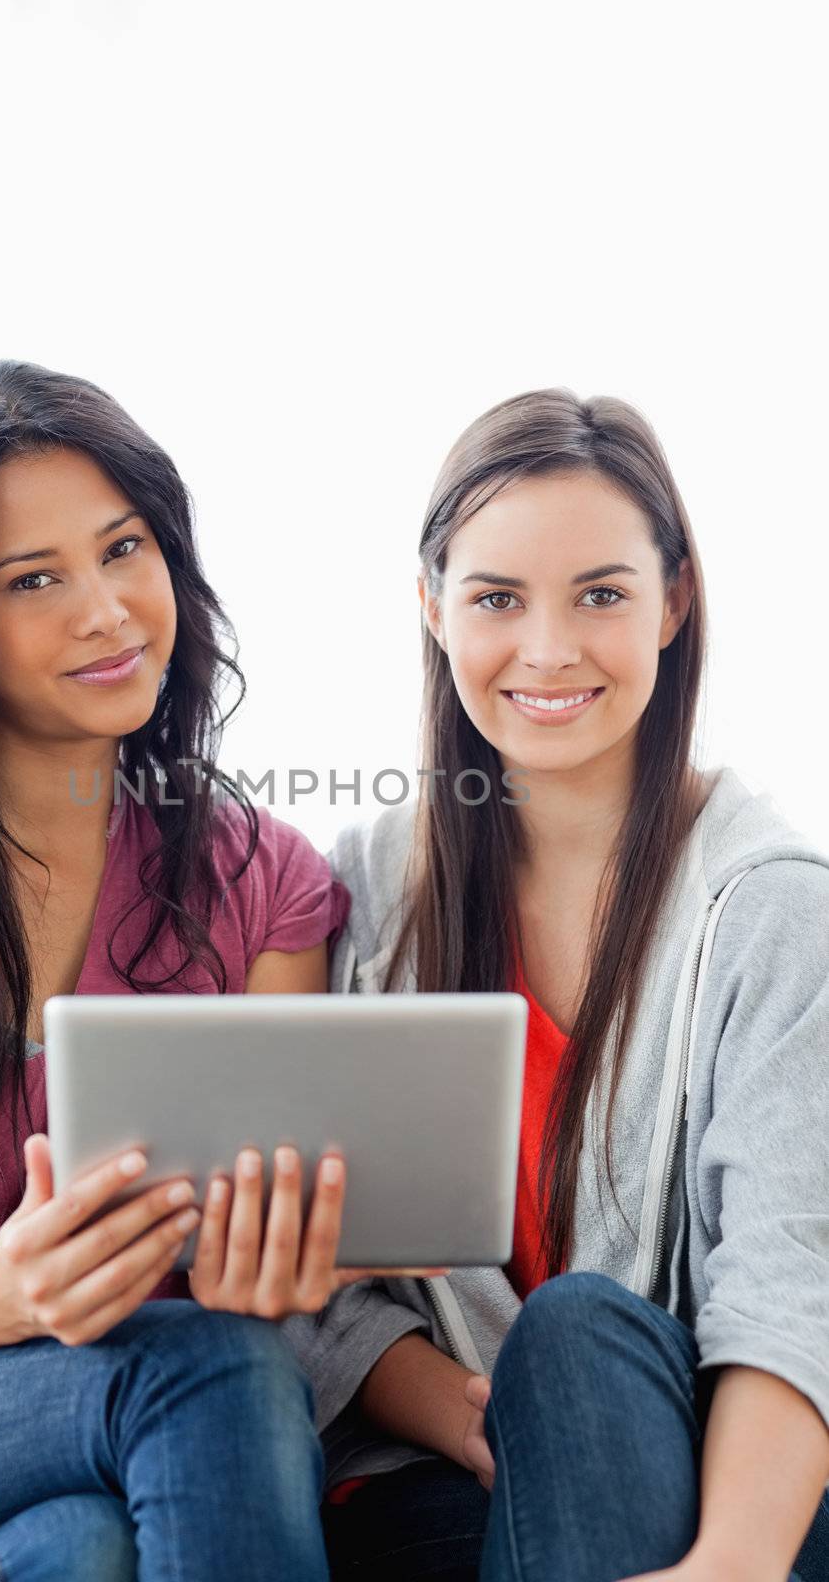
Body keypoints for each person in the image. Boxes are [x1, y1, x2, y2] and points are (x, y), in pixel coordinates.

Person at [0, 359, 364, 1582]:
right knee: (206, 1366)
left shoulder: (261, 882)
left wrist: (291, 1254)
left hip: (114, 1426)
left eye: (123, 549)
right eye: (33, 579)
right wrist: (18, 1292)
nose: (106, 611)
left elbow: (254, 1241)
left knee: (76, 1551)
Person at [284, 388, 829, 1582]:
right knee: (553, 1355)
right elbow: (322, 1285)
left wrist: (728, 1564)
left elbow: (793, 1278)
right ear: (430, 608)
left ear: (672, 601)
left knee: (578, 1330)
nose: (546, 648)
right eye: (493, 598)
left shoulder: (772, 904)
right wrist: (475, 1409)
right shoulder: (365, 896)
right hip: (444, 1479)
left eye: (599, 593)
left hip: (716, 1476)